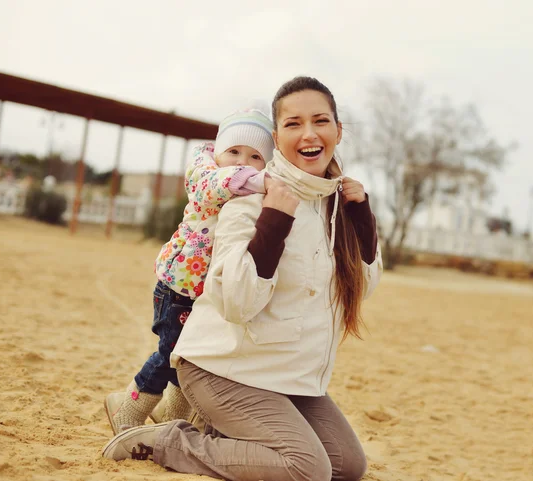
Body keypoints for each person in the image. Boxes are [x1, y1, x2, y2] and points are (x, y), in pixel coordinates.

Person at [102, 76, 383, 481]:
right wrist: (275, 219)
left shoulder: (337, 204)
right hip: (222, 369)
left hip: (287, 376)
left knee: (348, 465)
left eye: (320, 120)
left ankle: (228, 433)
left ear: (338, 131)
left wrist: (362, 219)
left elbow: (364, 287)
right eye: (293, 123)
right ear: (276, 136)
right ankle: (168, 440)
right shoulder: (249, 200)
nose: (309, 133)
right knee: (307, 468)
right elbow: (237, 303)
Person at [104, 109, 275, 434]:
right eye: (234, 152)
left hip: (207, 292)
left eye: (255, 156)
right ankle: (127, 407)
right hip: (180, 285)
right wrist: (260, 178)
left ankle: (171, 415)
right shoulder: (206, 175)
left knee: (192, 357)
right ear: (219, 151)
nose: (242, 162)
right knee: (170, 355)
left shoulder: (252, 189)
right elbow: (218, 182)